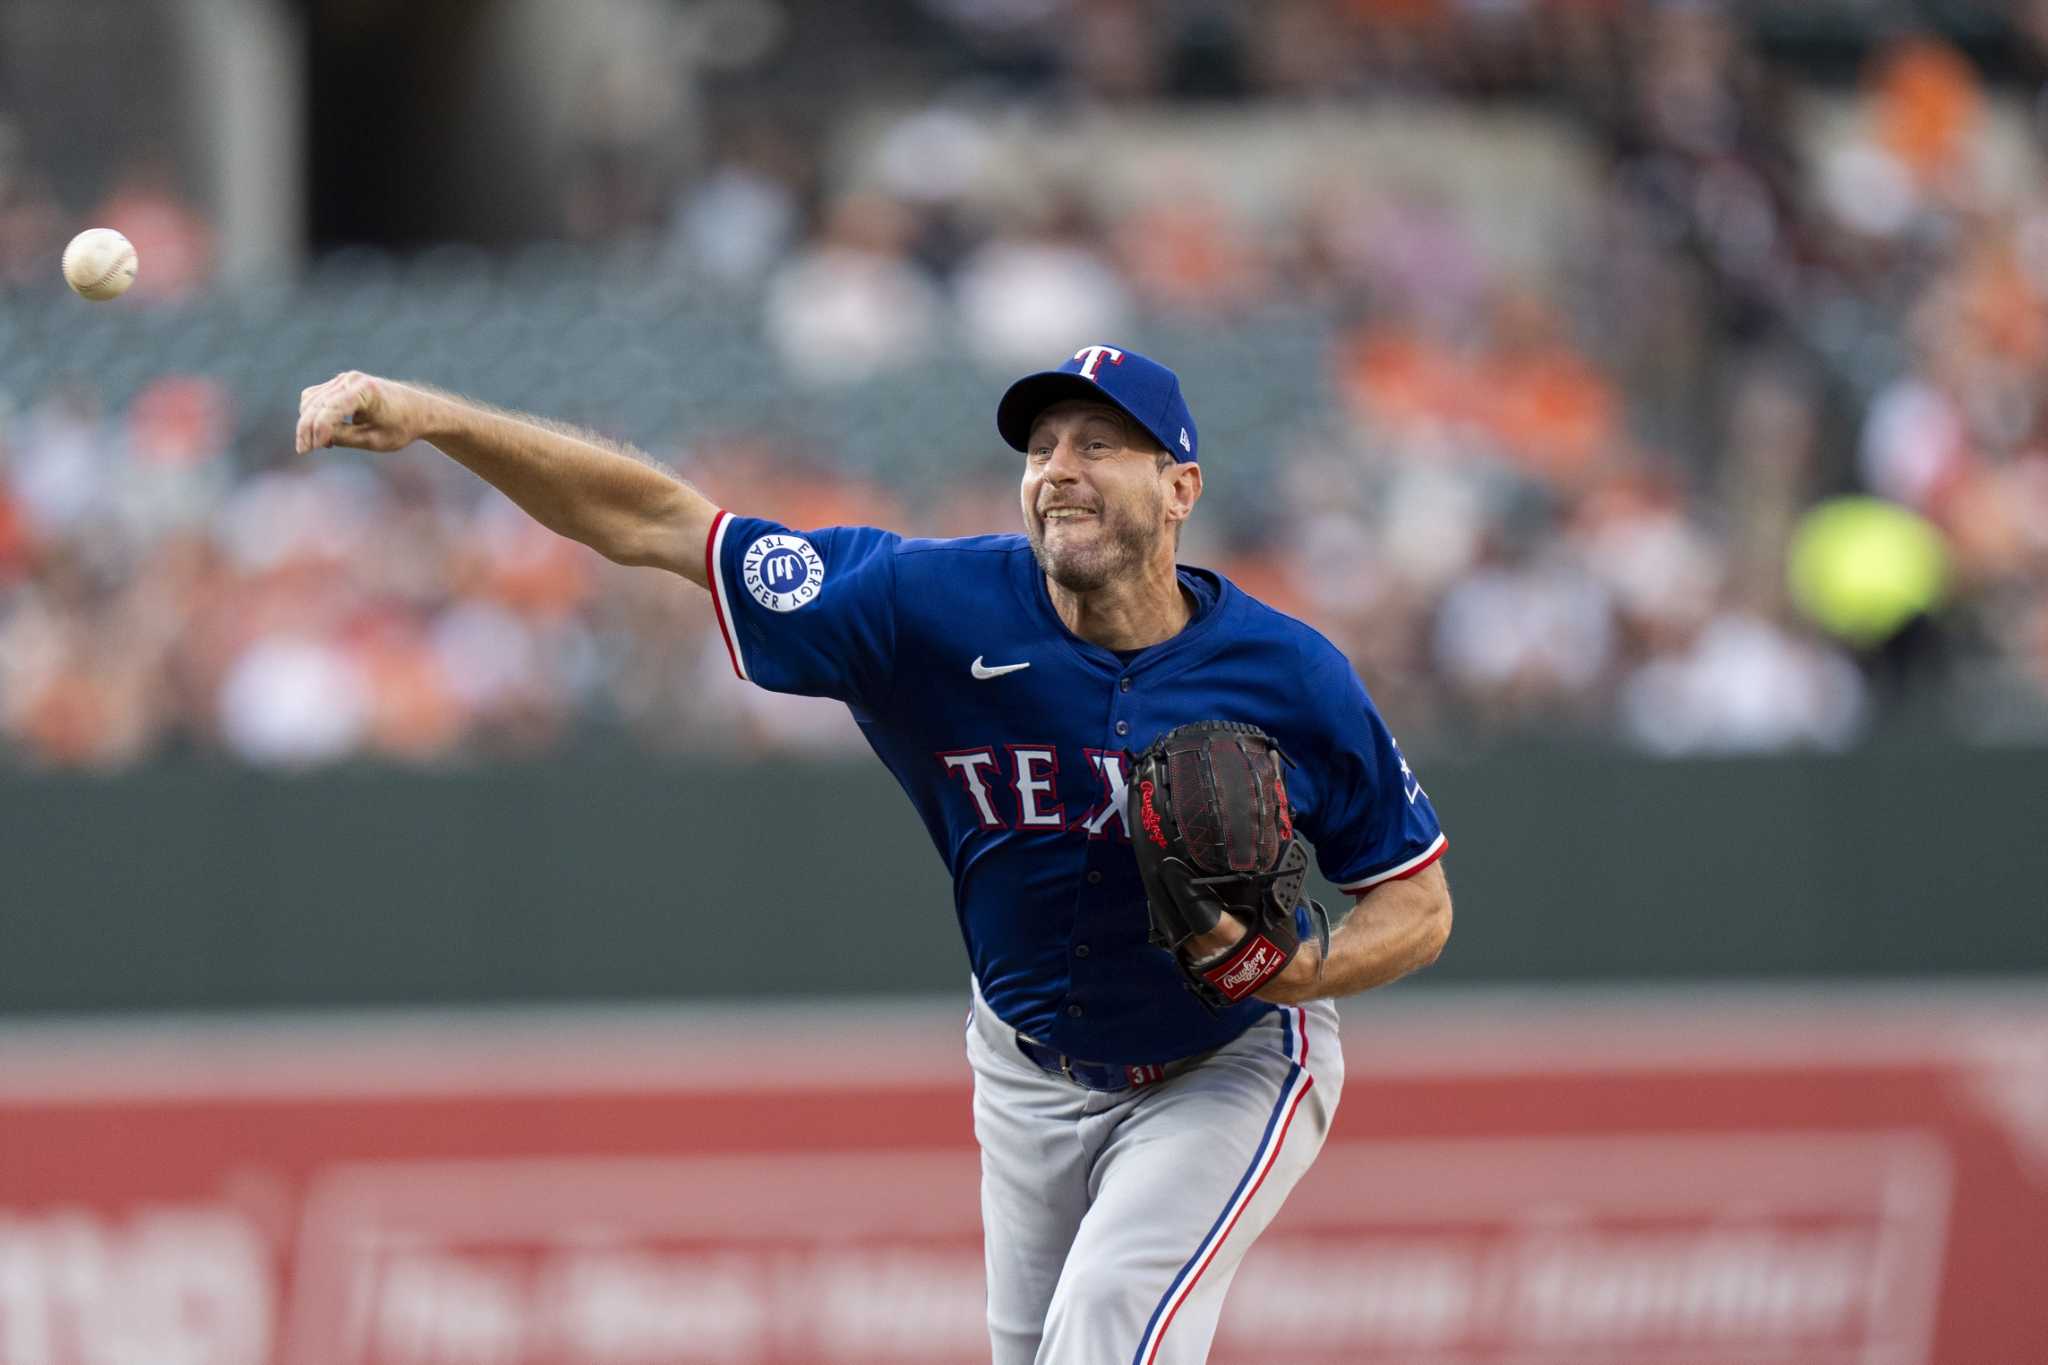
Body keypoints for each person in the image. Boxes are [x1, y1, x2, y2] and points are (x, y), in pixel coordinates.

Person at [294, 344, 1453, 1364]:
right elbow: (660, 522)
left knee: (1107, 1322)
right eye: (1042, 445)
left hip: (1227, 1062)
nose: (1059, 469)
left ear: (1179, 487)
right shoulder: (923, 605)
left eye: (1101, 445)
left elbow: (1416, 902)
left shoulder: (1289, 673)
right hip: (1026, 1068)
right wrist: (435, 418)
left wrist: (1293, 974)